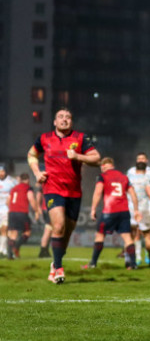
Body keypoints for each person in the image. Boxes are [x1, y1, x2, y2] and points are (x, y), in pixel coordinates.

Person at [27, 107, 100, 284]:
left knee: (66, 232)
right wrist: (37, 172)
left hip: (74, 191)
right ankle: (59, 268)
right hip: (52, 188)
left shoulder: (80, 138)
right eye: (60, 117)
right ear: (54, 122)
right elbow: (31, 155)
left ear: (71, 122)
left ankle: (55, 264)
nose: (64, 120)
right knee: (58, 226)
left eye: (68, 117)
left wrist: (78, 156)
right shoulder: (44, 139)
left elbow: (96, 158)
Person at [83, 157, 139, 269]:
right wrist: (136, 210)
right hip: (124, 212)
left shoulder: (102, 176)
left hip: (109, 211)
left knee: (100, 235)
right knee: (127, 238)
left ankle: (93, 263)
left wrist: (93, 209)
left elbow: (98, 192)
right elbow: (133, 194)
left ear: (103, 166)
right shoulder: (124, 177)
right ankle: (133, 265)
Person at [7, 173, 40, 259]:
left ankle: (10, 255)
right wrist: (36, 211)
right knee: (27, 232)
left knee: (13, 234)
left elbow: (8, 201)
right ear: (28, 180)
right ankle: (16, 247)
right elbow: (31, 199)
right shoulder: (28, 188)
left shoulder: (14, 188)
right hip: (21, 213)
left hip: (12, 212)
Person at [0, 165, 18, 258]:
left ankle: (3, 250)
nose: (1, 173)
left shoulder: (11, 181)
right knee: (1, 230)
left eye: (2, 171)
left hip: (6, 209)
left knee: (5, 228)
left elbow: (17, 191)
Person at [35, 182, 53, 258]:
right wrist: (38, 207)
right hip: (49, 209)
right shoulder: (46, 184)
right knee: (48, 229)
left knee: (50, 229)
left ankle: (45, 250)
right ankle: (43, 250)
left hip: (49, 208)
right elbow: (38, 194)